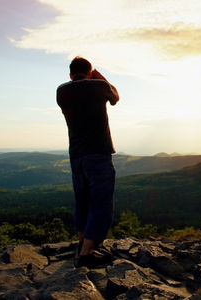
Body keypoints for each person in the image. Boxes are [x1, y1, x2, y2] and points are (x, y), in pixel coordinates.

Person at [57, 56, 120, 268]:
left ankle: (81, 242)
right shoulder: (99, 85)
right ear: (90, 71)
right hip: (98, 153)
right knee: (101, 202)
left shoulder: (62, 91)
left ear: (70, 74)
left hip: (76, 155)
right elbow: (115, 98)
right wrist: (101, 77)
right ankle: (86, 255)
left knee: (81, 200)